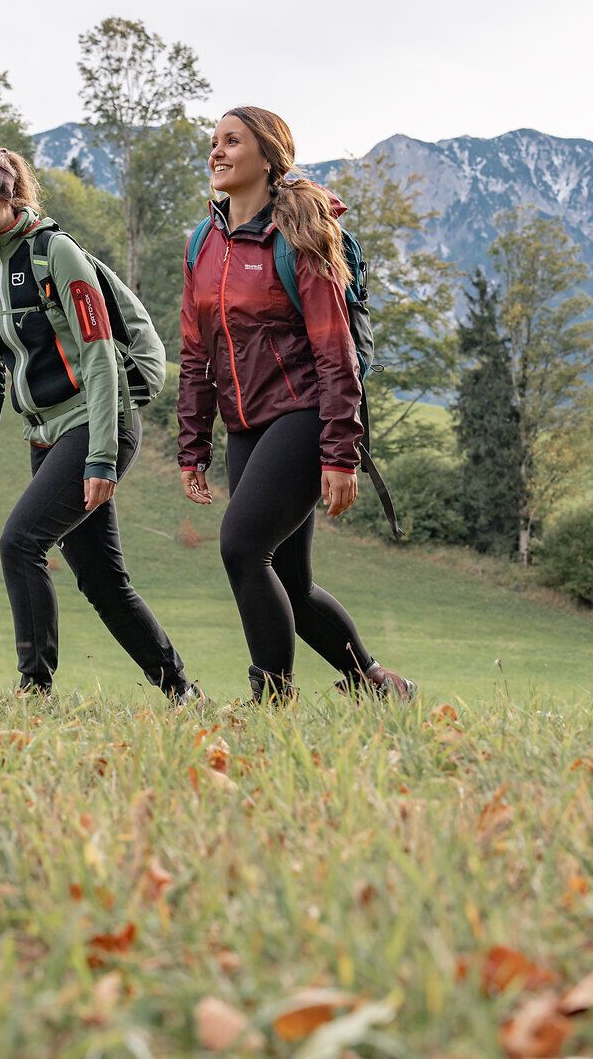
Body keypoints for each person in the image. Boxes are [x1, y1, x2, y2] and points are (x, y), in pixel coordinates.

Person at [178, 107, 416, 704]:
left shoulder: (298, 237)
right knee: (290, 581)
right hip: (245, 423)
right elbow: (193, 351)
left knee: (241, 547)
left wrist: (339, 451)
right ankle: (379, 685)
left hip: (305, 413)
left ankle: (270, 701)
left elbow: (337, 354)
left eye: (232, 141)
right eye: (214, 142)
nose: (217, 151)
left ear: (268, 156)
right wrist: (192, 444)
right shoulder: (204, 243)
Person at [0, 143, 198, 702]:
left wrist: (102, 455)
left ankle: (34, 690)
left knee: (20, 543)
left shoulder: (56, 253)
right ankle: (184, 694)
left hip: (99, 422)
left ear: (6, 197)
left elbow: (102, 356)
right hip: (45, 433)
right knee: (103, 581)